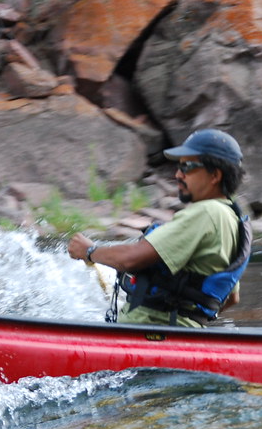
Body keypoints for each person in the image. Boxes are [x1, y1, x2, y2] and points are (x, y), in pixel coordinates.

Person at [68, 129, 252, 328]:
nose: (178, 174)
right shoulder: (232, 219)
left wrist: (89, 251)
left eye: (187, 167)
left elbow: (131, 258)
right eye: (179, 166)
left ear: (215, 175)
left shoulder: (207, 212)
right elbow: (232, 298)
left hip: (150, 332)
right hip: (184, 332)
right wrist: (189, 317)